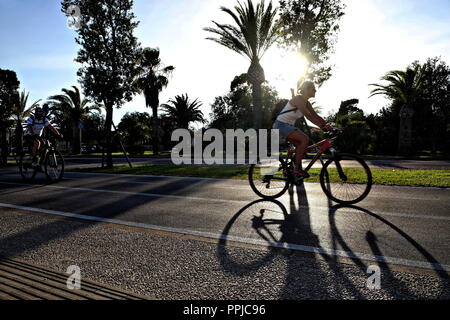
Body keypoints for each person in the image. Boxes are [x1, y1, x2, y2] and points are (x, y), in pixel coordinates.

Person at [273, 81, 334, 179]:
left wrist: (327, 125)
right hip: (281, 125)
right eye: (313, 88)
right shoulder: (298, 99)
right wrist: (321, 126)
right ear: (307, 90)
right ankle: (297, 169)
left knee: (300, 146)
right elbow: (307, 115)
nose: (315, 90)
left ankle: (292, 169)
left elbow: (316, 116)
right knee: (304, 139)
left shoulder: (307, 103)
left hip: (287, 126)